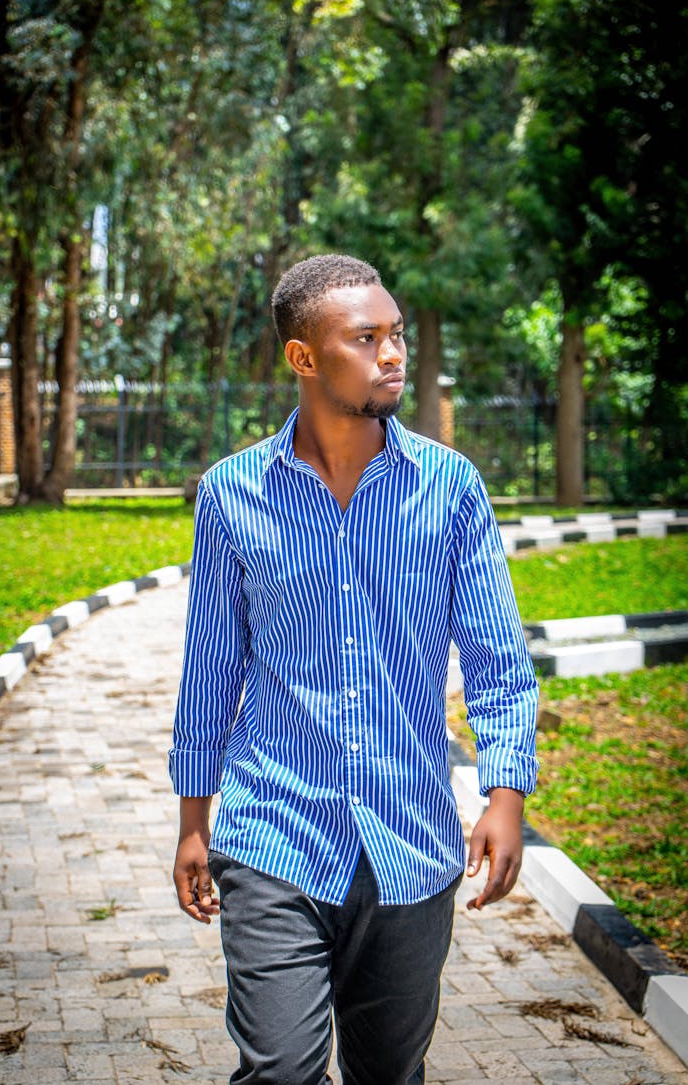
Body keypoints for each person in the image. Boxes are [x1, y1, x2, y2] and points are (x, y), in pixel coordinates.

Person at [170, 253, 538, 1084]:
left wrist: (504, 794)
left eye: (396, 333)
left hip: (410, 845)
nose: (393, 353)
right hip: (273, 835)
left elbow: (497, 659)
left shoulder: (450, 489)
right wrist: (194, 820)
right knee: (280, 1072)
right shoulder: (232, 495)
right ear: (304, 358)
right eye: (367, 338)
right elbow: (210, 672)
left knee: (389, 1072)